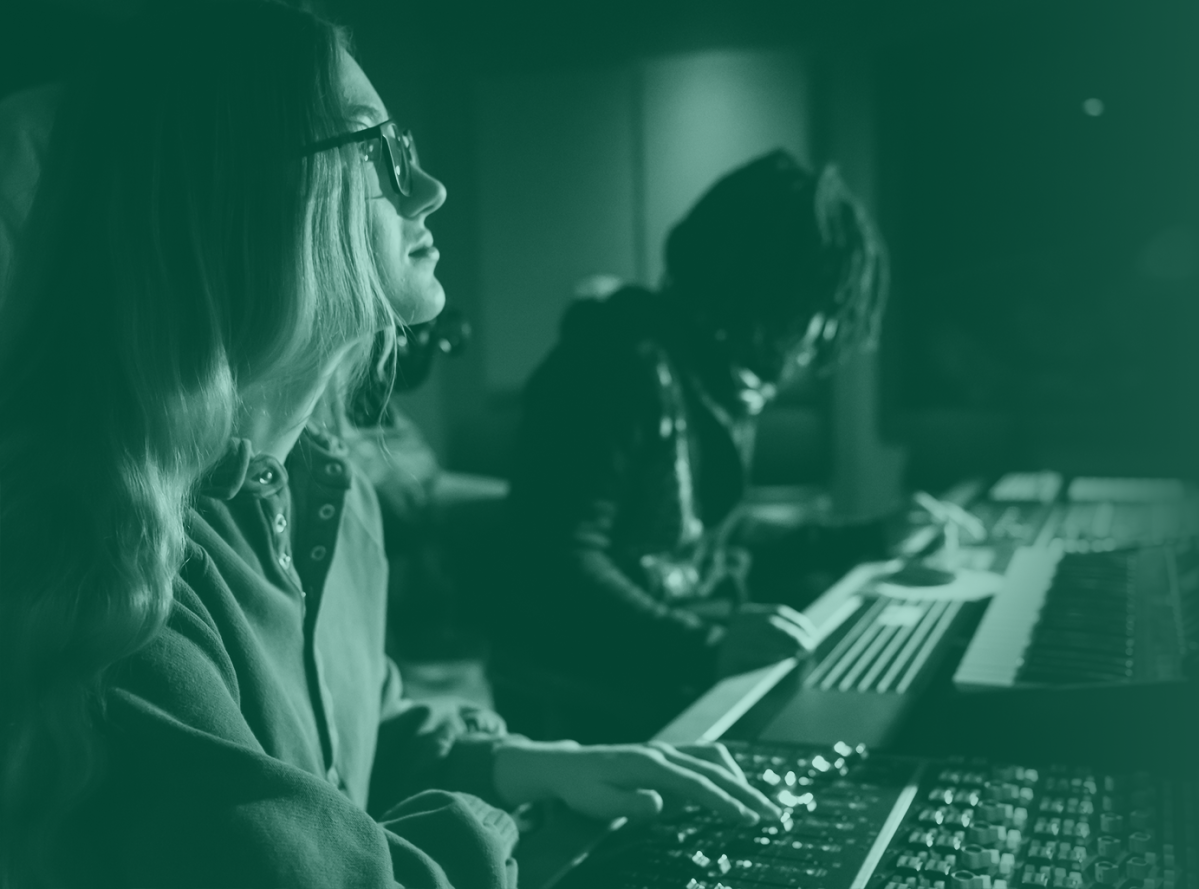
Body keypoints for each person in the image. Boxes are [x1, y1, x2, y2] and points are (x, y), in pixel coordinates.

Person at [0, 4, 780, 887]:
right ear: (233, 203)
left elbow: (349, 739)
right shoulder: (101, 575)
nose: (428, 188)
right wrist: (510, 821)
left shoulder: (326, 488)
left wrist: (522, 760)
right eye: (380, 153)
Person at [502, 150, 921, 742]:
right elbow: (553, 567)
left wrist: (871, 538)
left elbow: (710, 535)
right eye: (815, 306)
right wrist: (708, 647)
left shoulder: (701, 371)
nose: (819, 335)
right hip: (594, 713)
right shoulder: (611, 366)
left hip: (658, 680)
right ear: (761, 282)